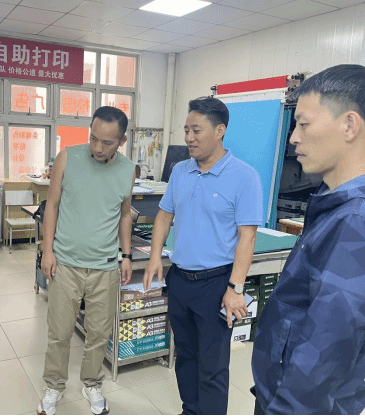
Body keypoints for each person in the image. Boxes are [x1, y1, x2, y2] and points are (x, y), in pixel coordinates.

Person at [252, 64, 365, 415]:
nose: (293, 138)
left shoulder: (355, 221)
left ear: (349, 125)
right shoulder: (335, 205)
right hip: (281, 390)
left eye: (303, 124)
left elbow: (329, 348)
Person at [143, 96, 263, 415]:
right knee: (185, 356)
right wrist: (155, 257)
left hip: (216, 284)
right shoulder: (181, 171)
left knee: (212, 366)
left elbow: (247, 236)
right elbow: (164, 216)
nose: (188, 138)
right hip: (180, 280)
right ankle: (191, 410)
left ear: (220, 130)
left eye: (196, 130)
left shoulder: (244, 176)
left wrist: (235, 288)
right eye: (186, 130)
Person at [37, 106, 136, 416]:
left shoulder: (128, 170)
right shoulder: (67, 157)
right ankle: (54, 386)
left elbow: (124, 215)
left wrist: (126, 255)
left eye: (107, 142)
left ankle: (91, 383)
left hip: (105, 267)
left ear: (121, 141)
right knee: (59, 332)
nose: (97, 147)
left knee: (99, 333)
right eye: (93, 138)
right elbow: (52, 205)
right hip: (65, 264)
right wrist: (48, 250)